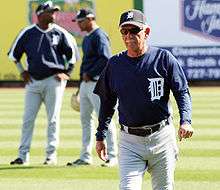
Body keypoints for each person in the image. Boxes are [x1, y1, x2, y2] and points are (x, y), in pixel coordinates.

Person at [94, 9, 194, 190]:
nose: (128, 35)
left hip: (161, 137)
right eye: (124, 31)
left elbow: (182, 92)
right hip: (129, 141)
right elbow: (107, 103)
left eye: (134, 30)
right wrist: (100, 135)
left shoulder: (163, 59)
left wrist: (186, 121)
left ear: (146, 32)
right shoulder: (114, 64)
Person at [8, 0, 79, 166]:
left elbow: (73, 56)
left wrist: (67, 73)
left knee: (53, 119)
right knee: (28, 119)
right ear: (40, 14)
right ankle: (22, 156)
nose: (54, 14)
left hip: (53, 81)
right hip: (33, 81)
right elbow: (13, 55)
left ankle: (51, 156)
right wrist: (22, 71)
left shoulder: (60, 33)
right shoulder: (28, 32)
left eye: (55, 11)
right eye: (51, 12)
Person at [66, 9, 118, 167]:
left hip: (98, 83)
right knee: (85, 120)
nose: (79, 24)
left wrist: (91, 73)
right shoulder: (88, 36)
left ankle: (112, 156)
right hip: (87, 83)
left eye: (81, 21)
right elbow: (87, 62)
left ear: (90, 19)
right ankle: (85, 156)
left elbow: (106, 59)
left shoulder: (99, 35)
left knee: (104, 118)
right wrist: (81, 83)